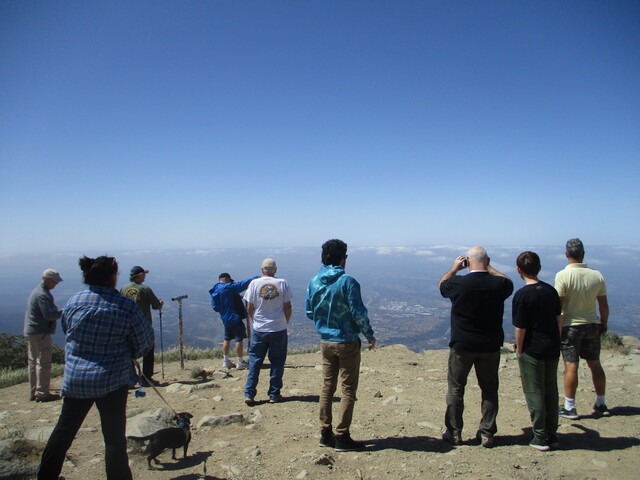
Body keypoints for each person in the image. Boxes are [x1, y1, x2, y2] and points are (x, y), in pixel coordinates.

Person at [38, 256, 154, 480]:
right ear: (112, 277)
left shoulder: (73, 301)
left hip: (76, 378)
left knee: (63, 432)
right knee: (113, 439)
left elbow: (66, 329)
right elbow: (144, 343)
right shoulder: (125, 306)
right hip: (112, 380)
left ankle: (46, 476)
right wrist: (128, 352)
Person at [438, 246, 513, 448]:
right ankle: (487, 433)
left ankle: (454, 433)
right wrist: (490, 267)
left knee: (456, 389)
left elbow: (442, 285)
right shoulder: (497, 284)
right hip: (490, 345)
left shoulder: (459, 283)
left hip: (462, 345)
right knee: (489, 389)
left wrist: (454, 268)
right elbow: (509, 282)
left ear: (467, 262)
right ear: (487, 260)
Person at [306, 239, 376, 452]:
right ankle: (342, 437)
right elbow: (358, 313)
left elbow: (310, 312)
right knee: (348, 389)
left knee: (328, 386)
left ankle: (325, 432)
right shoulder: (348, 282)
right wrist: (369, 335)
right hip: (346, 341)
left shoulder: (314, 281)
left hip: (325, 341)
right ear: (343, 258)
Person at [512, 251, 562, 451]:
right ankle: (552, 433)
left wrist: (519, 350)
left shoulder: (522, 295)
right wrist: (557, 341)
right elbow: (559, 319)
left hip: (532, 349)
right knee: (551, 391)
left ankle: (540, 437)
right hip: (552, 347)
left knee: (534, 392)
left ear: (519, 270)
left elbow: (520, 328)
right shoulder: (551, 291)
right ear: (539, 268)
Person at [555, 238, 610, 419]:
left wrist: (557, 329)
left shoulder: (563, 276)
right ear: (583, 254)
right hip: (592, 324)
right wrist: (603, 323)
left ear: (566, 254)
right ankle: (601, 403)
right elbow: (603, 304)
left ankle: (570, 406)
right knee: (594, 363)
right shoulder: (597, 275)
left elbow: (559, 306)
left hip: (571, 326)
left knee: (571, 366)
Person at [243, 258, 292, 405]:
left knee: (255, 361)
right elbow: (288, 307)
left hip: (259, 328)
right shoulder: (282, 283)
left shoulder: (254, 284)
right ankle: (274, 394)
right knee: (277, 361)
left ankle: (249, 393)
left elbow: (249, 307)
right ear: (275, 270)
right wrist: (284, 322)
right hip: (278, 328)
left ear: (261, 270)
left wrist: (254, 321)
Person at [24, 269, 63, 402]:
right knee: (44, 362)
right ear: (47, 280)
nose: (56, 284)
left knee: (33, 362)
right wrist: (63, 312)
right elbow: (49, 315)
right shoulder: (43, 295)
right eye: (54, 281)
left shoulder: (38, 292)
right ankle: (42, 393)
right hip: (41, 332)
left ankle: (33, 391)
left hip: (32, 331)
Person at [120, 266, 164, 386]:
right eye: (144, 274)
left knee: (128, 351)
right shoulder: (145, 289)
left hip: (126, 326)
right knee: (148, 351)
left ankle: (129, 378)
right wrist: (160, 303)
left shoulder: (123, 289)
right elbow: (156, 306)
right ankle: (146, 378)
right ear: (139, 275)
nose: (145, 276)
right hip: (143, 326)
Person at [209, 272, 259, 369]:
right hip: (234, 317)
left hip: (225, 318)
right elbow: (242, 284)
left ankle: (226, 360)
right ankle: (240, 362)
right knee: (239, 339)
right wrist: (258, 277)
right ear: (226, 279)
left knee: (227, 339)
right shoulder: (228, 287)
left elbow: (215, 307)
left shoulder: (215, 289)